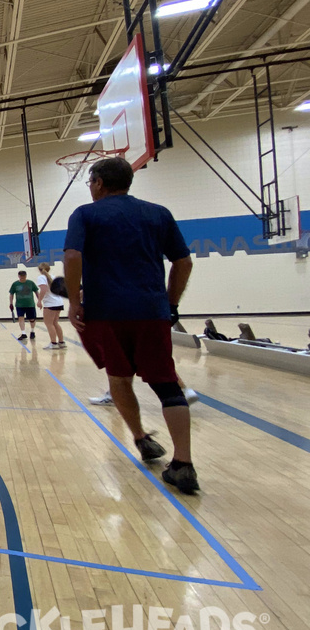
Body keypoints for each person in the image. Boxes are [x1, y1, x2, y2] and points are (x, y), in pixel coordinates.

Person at [64, 157, 198, 493]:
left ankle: (141, 439)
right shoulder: (158, 213)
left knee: (119, 380)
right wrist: (171, 303)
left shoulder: (85, 214)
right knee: (168, 385)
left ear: (97, 182)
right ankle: (183, 463)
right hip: (152, 312)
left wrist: (75, 301)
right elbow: (183, 262)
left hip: (107, 312)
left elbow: (71, 256)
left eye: (90, 182)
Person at [35, 263, 67, 350]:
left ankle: (53, 343)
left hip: (50, 303)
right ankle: (61, 342)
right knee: (55, 323)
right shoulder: (53, 277)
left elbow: (44, 289)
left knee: (49, 323)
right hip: (58, 302)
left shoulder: (41, 278)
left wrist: (39, 300)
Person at [8, 270, 38, 341]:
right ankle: (23, 333)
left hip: (30, 304)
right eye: (21, 277)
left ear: (26, 276)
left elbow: (36, 291)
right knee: (21, 318)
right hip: (19, 305)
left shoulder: (30, 283)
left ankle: (32, 331)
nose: (22, 278)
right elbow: (11, 294)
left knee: (32, 319)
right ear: (19, 276)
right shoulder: (15, 284)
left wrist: (39, 301)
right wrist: (11, 303)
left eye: (24, 277)